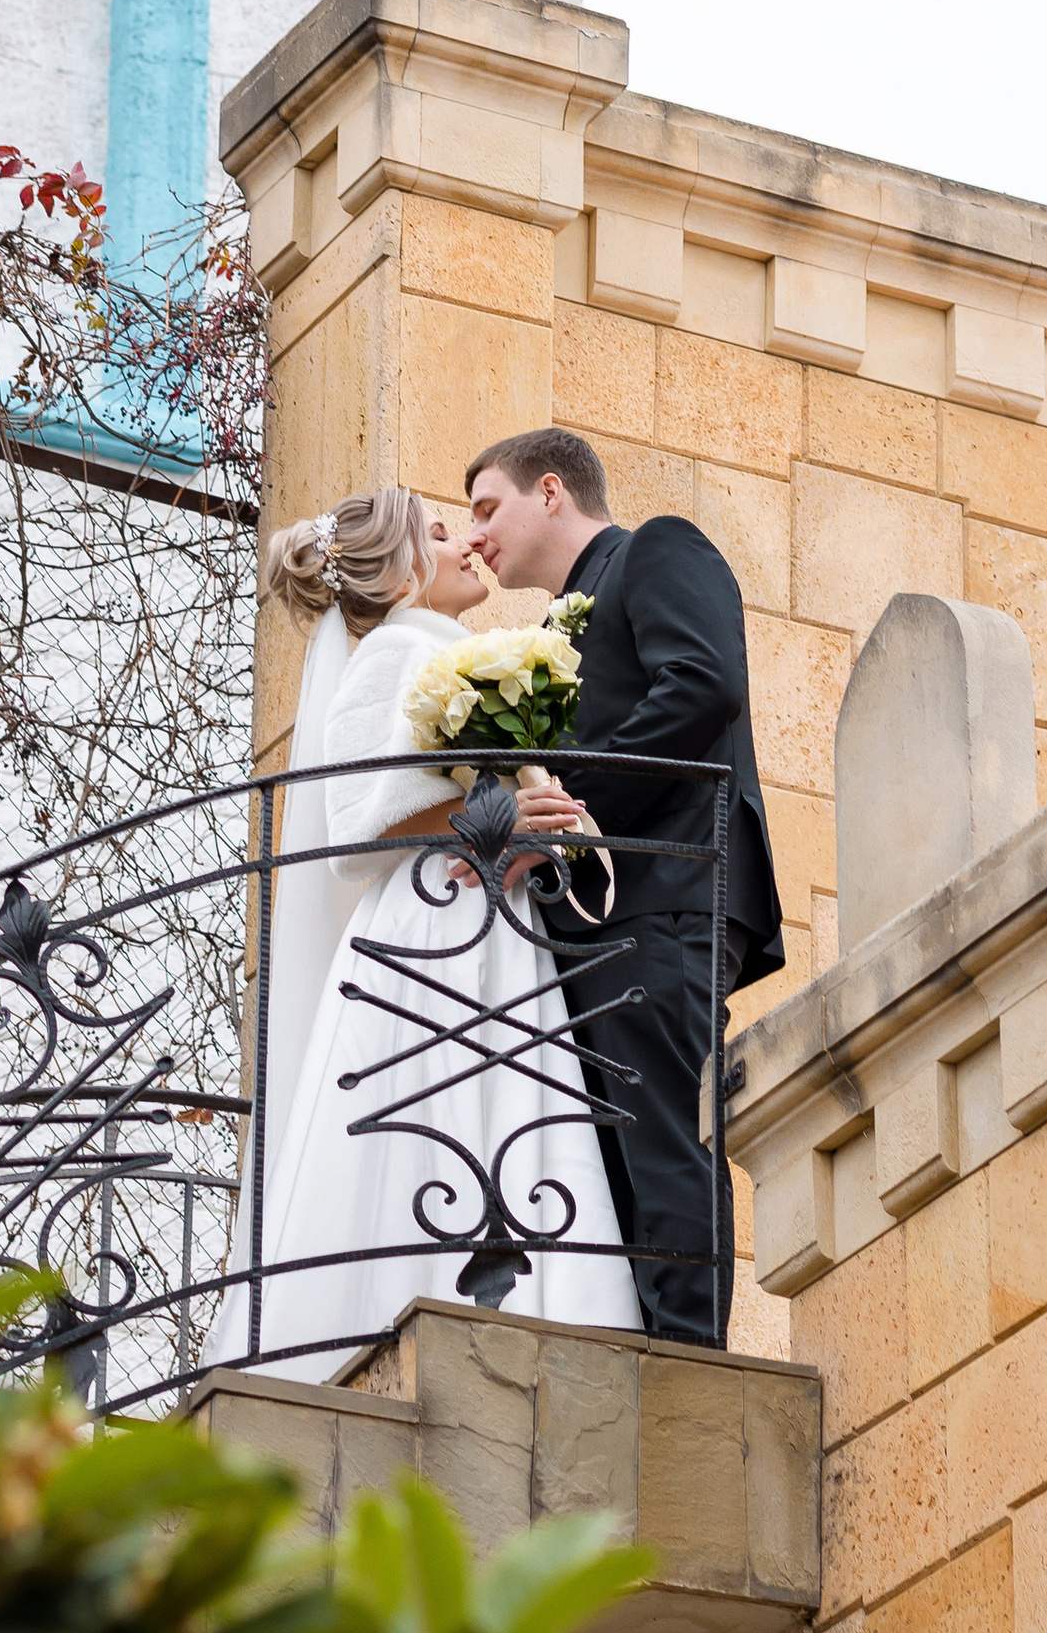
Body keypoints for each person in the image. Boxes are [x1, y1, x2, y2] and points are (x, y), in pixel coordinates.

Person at [202, 487, 640, 1379]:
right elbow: (361, 822)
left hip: (485, 915)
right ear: (402, 569)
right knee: (441, 1098)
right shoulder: (396, 651)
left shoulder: (439, 650)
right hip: (434, 916)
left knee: (499, 1094)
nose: (466, 544)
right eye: (441, 533)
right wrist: (500, 812)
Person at [464, 430, 785, 1346]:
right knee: (611, 1151)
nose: (477, 535)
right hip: (593, 916)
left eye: (489, 508)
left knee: (662, 1138)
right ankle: (643, 1343)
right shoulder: (548, 631)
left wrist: (570, 804)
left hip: (667, 892)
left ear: (552, 491)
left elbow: (703, 685)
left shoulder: (659, 550)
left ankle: (687, 1365)